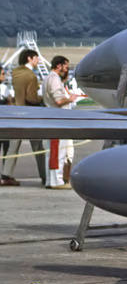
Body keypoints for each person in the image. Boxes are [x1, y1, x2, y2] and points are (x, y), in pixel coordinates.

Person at [1, 50, 47, 186]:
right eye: (36, 58)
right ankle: (45, 175)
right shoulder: (31, 76)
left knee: (13, 148)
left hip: (16, 114)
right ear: (29, 58)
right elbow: (31, 98)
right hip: (29, 115)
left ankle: (6, 175)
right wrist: (43, 98)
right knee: (38, 148)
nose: (38, 60)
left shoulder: (16, 73)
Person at [41, 56, 78, 188]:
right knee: (58, 151)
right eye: (66, 67)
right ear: (59, 66)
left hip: (52, 118)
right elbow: (58, 101)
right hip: (58, 119)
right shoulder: (54, 79)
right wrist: (71, 98)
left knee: (52, 151)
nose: (66, 70)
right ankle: (56, 181)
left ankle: (52, 180)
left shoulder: (48, 78)